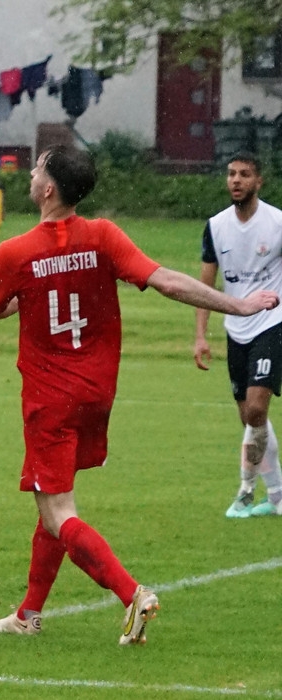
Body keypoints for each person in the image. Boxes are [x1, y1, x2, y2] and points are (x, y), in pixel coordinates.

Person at [0, 146, 280, 645]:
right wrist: (238, 305)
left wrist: (29, 293)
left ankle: (132, 594)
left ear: (48, 188)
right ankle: (28, 613)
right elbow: (167, 281)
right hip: (97, 393)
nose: (31, 173)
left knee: (58, 510)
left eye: (37, 168)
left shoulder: (17, 251)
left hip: (50, 397)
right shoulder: (103, 235)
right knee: (50, 498)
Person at [194, 152, 282, 518]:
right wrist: (201, 335)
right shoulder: (216, 226)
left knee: (258, 408)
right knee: (249, 418)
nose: (236, 180)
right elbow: (205, 287)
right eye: (231, 173)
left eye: (245, 174)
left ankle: (245, 492)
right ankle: (277, 496)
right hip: (236, 329)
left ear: (258, 181)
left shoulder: (277, 223)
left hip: (272, 323)